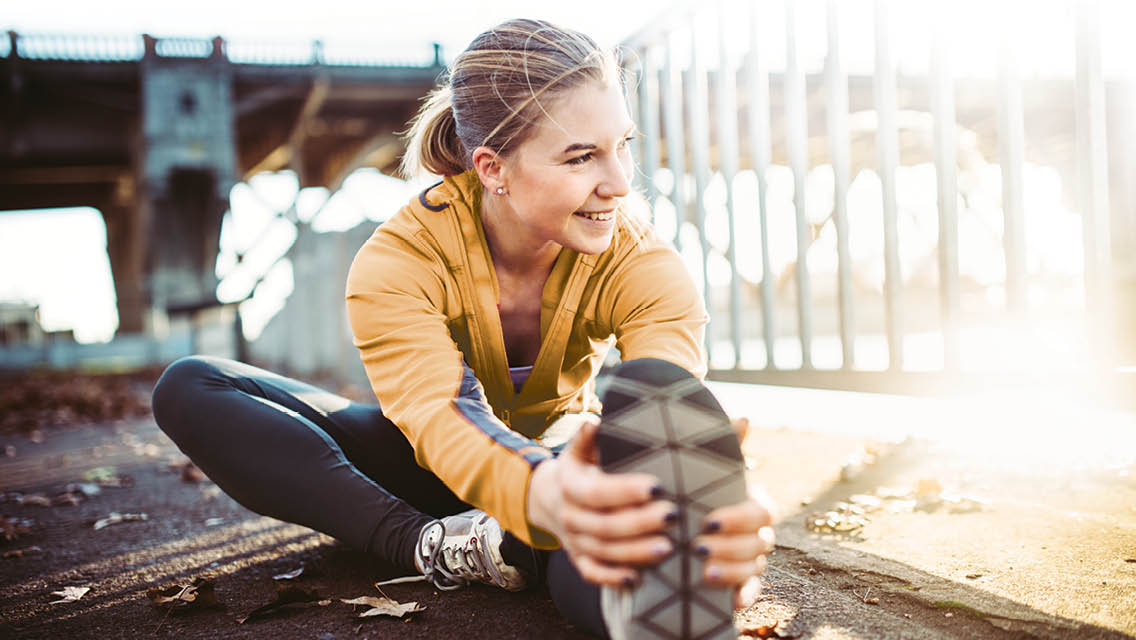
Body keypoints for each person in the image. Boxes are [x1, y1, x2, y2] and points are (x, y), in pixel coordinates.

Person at [151, 18, 774, 639]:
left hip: (568, 465)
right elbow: (437, 415)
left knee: (647, 403)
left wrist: (707, 508)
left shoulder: (641, 259)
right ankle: (438, 546)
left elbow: (672, 404)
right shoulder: (399, 259)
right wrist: (535, 489)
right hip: (430, 471)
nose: (618, 183)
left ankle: (596, 567)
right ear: (492, 168)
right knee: (191, 386)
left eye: (622, 145)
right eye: (582, 156)